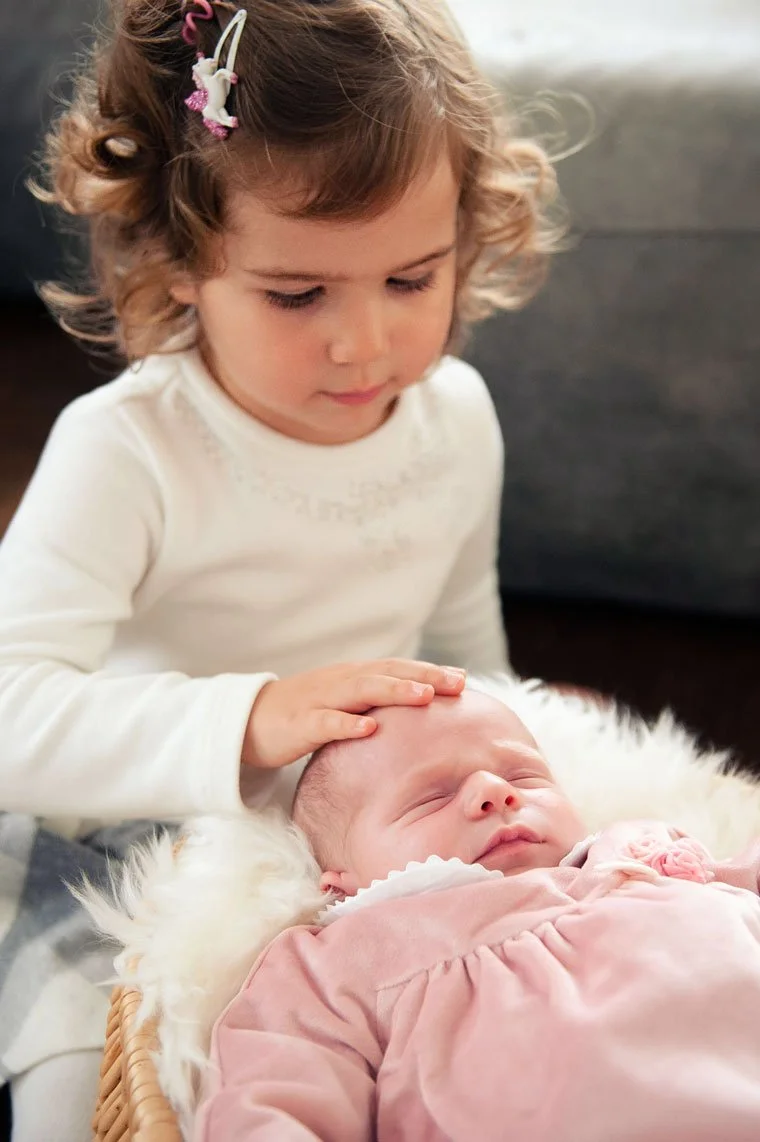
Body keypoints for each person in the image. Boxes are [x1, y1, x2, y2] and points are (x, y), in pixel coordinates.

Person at [0, 1, 564, 1137]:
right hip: (119, 842)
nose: (364, 344)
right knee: (89, 1093)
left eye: (412, 278)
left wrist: (523, 717)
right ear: (177, 258)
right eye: (297, 293)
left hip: (374, 843)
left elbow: (461, 646)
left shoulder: (455, 417)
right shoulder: (132, 448)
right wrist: (252, 719)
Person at [194, 689, 760, 1141]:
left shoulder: (635, 850)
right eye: (429, 798)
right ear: (341, 881)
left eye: (523, 777)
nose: (495, 792)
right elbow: (273, 1094)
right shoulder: (340, 958)